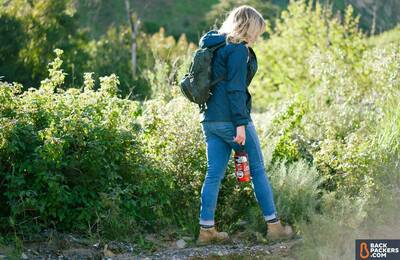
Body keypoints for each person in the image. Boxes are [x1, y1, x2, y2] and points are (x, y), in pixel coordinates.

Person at [197, 5, 293, 245]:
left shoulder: (214, 44)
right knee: (258, 171)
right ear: (249, 27)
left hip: (210, 120)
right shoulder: (238, 50)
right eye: (257, 31)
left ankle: (206, 230)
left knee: (213, 175)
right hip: (232, 120)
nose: (257, 37)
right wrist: (240, 125)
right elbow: (235, 89)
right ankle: (274, 227)